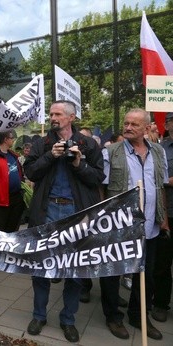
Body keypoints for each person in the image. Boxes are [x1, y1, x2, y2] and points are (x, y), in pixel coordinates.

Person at [23, 100, 104, 343]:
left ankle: (68, 320)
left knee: (75, 270)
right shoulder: (41, 144)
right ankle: (39, 315)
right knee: (41, 268)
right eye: (51, 114)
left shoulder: (88, 144)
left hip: (76, 214)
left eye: (58, 114)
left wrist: (79, 163)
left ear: (71, 117)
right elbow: (30, 172)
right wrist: (50, 155)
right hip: (47, 213)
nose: (53, 117)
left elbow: (98, 178)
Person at [103, 108, 168, 340]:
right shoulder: (111, 152)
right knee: (113, 271)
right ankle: (112, 317)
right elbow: (102, 189)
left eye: (134, 124)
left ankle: (138, 315)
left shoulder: (158, 152)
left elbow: (160, 187)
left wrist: (164, 221)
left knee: (145, 274)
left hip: (149, 225)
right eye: (126, 123)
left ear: (147, 128)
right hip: (119, 226)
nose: (128, 127)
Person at [153, 112, 173, 323]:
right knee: (162, 263)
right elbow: (154, 177)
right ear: (167, 124)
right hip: (166, 212)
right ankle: (160, 303)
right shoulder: (160, 149)